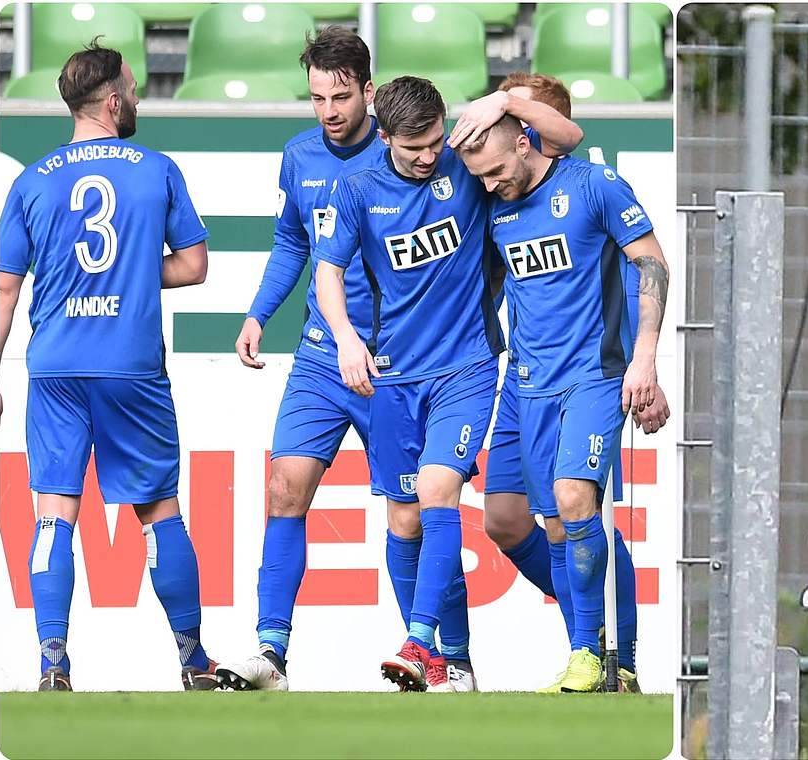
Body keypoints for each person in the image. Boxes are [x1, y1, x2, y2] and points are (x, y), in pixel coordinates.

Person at [217, 28, 471, 693]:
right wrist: (257, 313)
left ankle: (443, 658)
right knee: (283, 487)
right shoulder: (300, 156)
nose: (328, 110)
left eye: (339, 95)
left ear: (368, 91)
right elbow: (290, 245)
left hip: (397, 364)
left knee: (417, 511)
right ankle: (271, 652)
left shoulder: (418, 157)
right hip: (324, 359)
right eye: (316, 97)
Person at [313, 76, 582, 692]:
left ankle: (418, 641)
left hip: (467, 365)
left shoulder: (467, 160)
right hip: (393, 374)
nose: (430, 156)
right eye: (414, 148)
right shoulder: (357, 192)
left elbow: (567, 138)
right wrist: (348, 341)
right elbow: (326, 273)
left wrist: (507, 103)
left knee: (439, 488)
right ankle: (452, 664)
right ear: (384, 138)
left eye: (436, 141)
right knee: (405, 519)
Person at [0, 42, 214, 691]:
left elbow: (5, 288)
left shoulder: (33, 180)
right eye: (135, 88)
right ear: (114, 100)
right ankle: (192, 659)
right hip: (130, 366)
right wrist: (132, 277)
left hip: (55, 366)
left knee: (52, 513)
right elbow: (196, 265)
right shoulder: (155, 169)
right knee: (159, 513)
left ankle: (52, 664)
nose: (140, 97)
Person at [450, 71, 668, 692]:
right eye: (479, 177)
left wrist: (645, 361)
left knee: (575, 500)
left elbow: (648, 264)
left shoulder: (593, 185)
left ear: (525, 140)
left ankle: (604, 652)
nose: (487, 185)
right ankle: (594, 635)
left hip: (593, 377)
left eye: (494, 170)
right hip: (527, 382)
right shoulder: (492, 209)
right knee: (525, 523)